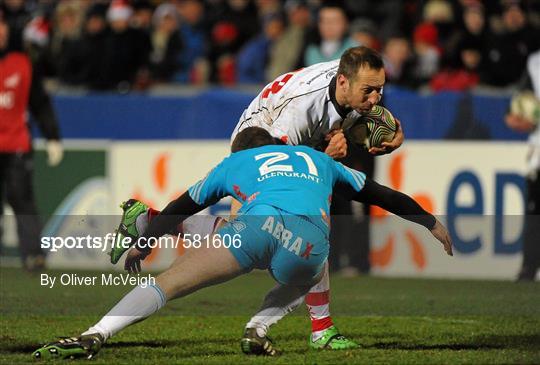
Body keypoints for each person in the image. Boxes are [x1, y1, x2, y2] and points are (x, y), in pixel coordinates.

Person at [33, 127, 453, 360]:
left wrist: (145, 241)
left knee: (169, 284)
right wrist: (429, 221)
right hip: (307, 245)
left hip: (251, 230)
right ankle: (258, 327)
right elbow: (381, 195)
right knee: (313, 266)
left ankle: (97, 332)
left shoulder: (234, 163)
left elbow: (181, 205)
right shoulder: (319, 159)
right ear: (276, 143)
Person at [113, 45, 404, 350]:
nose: (375, 99)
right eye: (370, 91)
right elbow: (290, 172)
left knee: (263, 238)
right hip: (260, 135)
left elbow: (364, 87)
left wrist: (392, 130)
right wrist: (325, 156)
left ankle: (151, 221)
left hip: (289, 134)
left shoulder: (351, 72)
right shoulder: (299, 110)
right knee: (275, 233)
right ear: (343, 82)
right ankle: (322, 329)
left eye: (379, 91)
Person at [0, 11, 63, 271]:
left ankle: (34, 255)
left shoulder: (23, 63)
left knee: (22, 200)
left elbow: (39, 103)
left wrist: (52, 137)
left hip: (16, 146)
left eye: (1, 24)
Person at [505, 50, 540, 281]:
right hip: (539, 149)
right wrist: (517, 117)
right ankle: (528, 267)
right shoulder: (535, 62)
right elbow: (519, 102)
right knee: (534, 211)